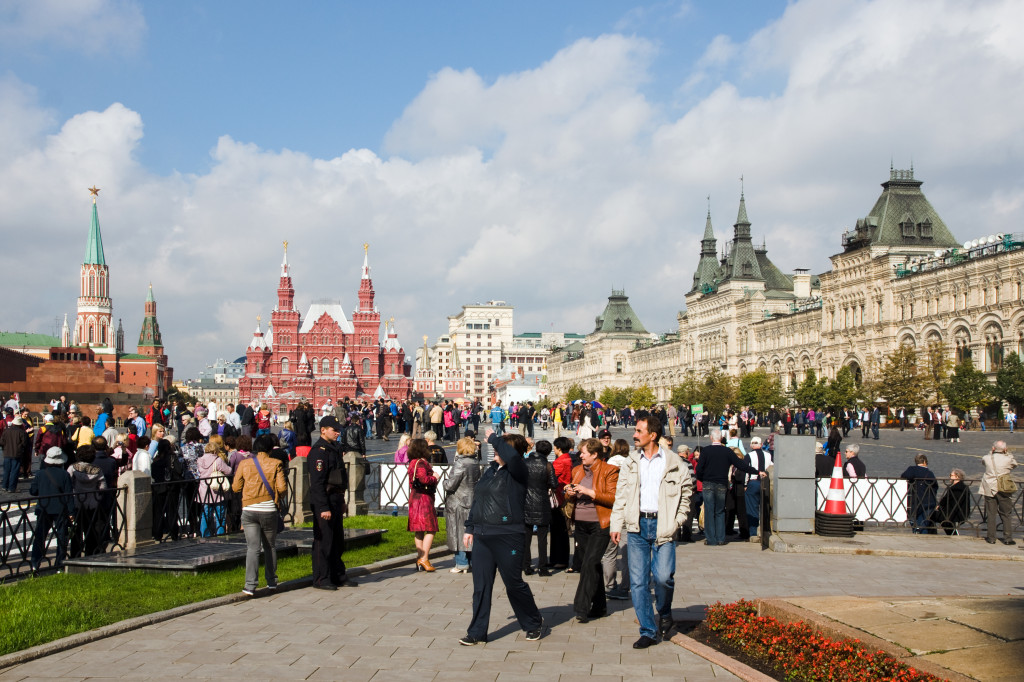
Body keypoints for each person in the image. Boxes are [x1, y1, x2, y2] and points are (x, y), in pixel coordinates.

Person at [609, 415, 693, 649]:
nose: (634, 435)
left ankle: (664, 611)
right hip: (636, 526)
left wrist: (678, 521)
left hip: (663, 525)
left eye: (638, 431)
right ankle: (648, 630)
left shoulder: (674, 461)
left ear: (652, 435)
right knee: (638, 582)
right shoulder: (631, 461)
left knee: (664, 577)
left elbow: (687, 492)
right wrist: (616, 524)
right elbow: (622, 495)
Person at [460, 431, 544, 646]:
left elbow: (514, 458)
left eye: (501, 447)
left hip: (508, 535)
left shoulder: (518, 471)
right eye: (496, 447)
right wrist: (470, 527)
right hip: (482, 535)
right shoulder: (491, 471)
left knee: (513, 584)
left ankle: (533, 622)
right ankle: (477, 632)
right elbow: (479, 500)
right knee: (481, 586)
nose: (496, 450)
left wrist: (495, 438)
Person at [564, 437, 618, 623]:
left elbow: (612, 497)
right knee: (593, 565)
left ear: (595, 455)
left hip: (600, 523)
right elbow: (571, 497)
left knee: (588, 563)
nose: (580, 455)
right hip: (581, 523)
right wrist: (570, 493)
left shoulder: (609, 470)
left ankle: (581, 606)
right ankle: (600, 606)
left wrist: (589, 492)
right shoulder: (577, 470)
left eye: (584, 453)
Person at [231, 434, 287, 595]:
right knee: (270, 546)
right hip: (268, 509)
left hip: (249, 510)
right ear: (271, 448)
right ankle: (271, 581)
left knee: (253, 548)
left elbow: (235, 487)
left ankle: (250, 585)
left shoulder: (245, 463)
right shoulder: (276, 463)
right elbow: (282, 488)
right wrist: (277, 497)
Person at [695, 427, 764, 548]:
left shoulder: (706, 451)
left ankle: (711, 539)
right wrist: (757, 472)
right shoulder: (727, 451)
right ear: (721, 438)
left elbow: (699, 469)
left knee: (710, 510)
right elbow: (741, 465)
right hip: (722, 483)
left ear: (711, 438)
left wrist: (703, 478)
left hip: (708, 483)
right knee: (721, 511)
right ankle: (721, 538)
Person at [308, 415, 354, 590]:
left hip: (335, 498)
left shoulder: (333, 448)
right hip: (325, 501)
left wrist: (341, 501)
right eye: (334, 430)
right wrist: (323, 507)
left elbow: (339, 477)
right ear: (323, 430)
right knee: (324, 541)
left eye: (338, 430)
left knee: (337, 540)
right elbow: (318, 483)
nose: (338, 432)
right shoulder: (319, 451)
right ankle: (321, 578)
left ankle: (337, 574)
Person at [30, 447, 75, 572]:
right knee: (61, 537)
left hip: (43, 508)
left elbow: (33, 491)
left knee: (40, 536)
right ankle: (59, 564)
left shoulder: (40, 474)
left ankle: (35, 563)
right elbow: (68, 495)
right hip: (60, 509)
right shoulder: (65, 474)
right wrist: (71, 512)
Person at [445, 436, 482, 573]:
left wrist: (443, 482)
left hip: (458, 501)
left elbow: (450, 485)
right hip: (472, 499)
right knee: (469, 531)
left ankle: (461, 563)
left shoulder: (460, 463)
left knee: (457, 531)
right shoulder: (474, 462)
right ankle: (471, 561)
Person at [522, 439, 558, 576]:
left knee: (526, 537)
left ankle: (526, 566)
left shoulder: (525, 463)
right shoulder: (547, 465)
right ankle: (542, 568)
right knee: (542, 539)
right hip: (542, 503)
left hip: (526, 501)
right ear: (548, 452)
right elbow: (554, 484)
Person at [407, 438, 439, 571]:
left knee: (419, 530)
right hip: (423, 499)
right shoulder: (420, 463)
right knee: (430, 528)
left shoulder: (413, 462)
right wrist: (435, 477)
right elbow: (423, 479)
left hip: (415, 497)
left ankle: (420, 558)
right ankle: (424, 558)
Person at [980, 440, 1018, 545]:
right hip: (1004, 488)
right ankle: (1008, 538)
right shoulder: (1008, 459)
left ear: (993, 448)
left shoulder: (987, 458)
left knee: (991, 514)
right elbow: (1014, 464)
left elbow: (983, 462)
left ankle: (991, 538)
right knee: (1006, 514)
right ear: (1005, 449)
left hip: (989, 487)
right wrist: (1007, 453)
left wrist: (991, 453)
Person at [548, 436, 574, 570]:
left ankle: (559, 559)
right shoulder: (569, 459)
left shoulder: (560, 462)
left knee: (558, 530)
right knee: (561, 530)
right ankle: (557, 558)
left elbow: (551, 477)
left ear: (558, 448)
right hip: (564, 497)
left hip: (558, 497)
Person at [198, 440, 233, 537]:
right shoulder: (217, 460)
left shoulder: (200, 460)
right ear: (215, 450)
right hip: (217, 490)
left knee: (205, 514)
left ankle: (204, 534)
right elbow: (228, 470)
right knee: (220, 515)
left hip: (204, 490)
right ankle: (220, 534)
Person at [900, 454, 938, 534]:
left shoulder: (912, 469)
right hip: (928, 501)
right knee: (923, 522)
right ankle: (922, 537)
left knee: (915, 521)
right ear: (924, 462)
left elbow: (904, 476)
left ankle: (916, 534)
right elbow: (935, 487)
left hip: (914, 501)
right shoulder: (929, 473)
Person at [744, 437, 772, 532]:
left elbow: (746, 471)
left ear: (751, 445)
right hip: (765, 482)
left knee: (752, 509)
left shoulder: (749, 455)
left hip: (753, 482)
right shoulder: (768, 455)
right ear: (761, 444)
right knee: (766, 507)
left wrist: (745, 485)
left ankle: (753, 532)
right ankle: (765, 530)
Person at [932, 469, 970, 535]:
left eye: (951, 475)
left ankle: (932, 534)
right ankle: (952, 533)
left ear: (957, 477)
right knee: (943, 519)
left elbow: (945, 500)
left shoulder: (954, 488)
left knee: (931, 516)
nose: (950, 477)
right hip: (962, 513)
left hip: (953, 514)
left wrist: (938, 506)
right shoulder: (965, 487)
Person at [2, 416, 28, 492]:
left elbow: (2, 442)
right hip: (17, 454)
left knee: (6, 470)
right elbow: (24, 443)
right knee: (14, 471)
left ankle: (4, 486)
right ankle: (12, 488)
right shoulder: (21, 432)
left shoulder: (6, 431)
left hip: (7, 453)